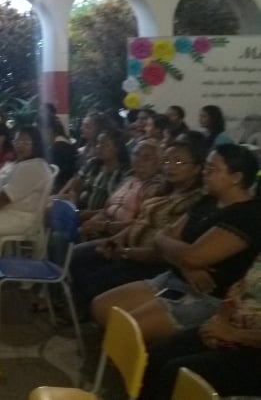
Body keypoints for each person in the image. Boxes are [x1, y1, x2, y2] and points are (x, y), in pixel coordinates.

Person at [92, 143, 261, 343]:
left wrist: (182, 254)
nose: (205, 173)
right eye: (205, 167)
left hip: (206, 296)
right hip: (174, 277)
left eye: (211, 169)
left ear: (236, 178)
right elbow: (164, 236)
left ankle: (136, 365)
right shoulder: (208, 201)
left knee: (125, 328)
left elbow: (194, 255)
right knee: (100, 307)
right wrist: (185, 264)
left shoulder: (247, 215)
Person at [68, 134, 206, 318]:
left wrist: (124, 251)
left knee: (93, 277)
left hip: (148, 261)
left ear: (197, 168)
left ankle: (94, 316)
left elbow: (163, 248)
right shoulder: (163, 190)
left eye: (179, 162)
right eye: (167, 161)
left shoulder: (193, 202)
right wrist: (116, 239)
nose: (170, 166)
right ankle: (82, 311)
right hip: (127, 246)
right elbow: (139, 221)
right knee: (78, 256)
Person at [139, 252, 261, 399]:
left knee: (178, 372)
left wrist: (234, 334)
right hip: (231, 327)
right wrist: (221, 320)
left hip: (253, 347)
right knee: (156, 355)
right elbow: (242, 287)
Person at [0, 125, 52, 290]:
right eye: (17, 140)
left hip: (19, 216)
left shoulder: (34, 166)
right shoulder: (15, 163)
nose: (20, 145)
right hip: (2, 210)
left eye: (26, 142)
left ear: (36, 144)